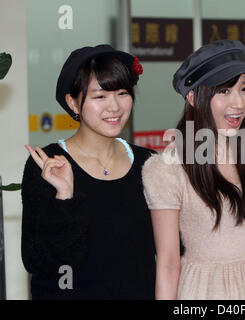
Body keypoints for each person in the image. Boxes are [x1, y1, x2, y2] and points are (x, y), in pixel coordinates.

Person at [142, 40, 245, 299]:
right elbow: (168, 264)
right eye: (224, 91)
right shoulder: (166, 169)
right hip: (204, 291)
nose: (238, 103)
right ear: (193, 97)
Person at [21, 44, 156, 299]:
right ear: (73, 102)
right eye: (99, 96)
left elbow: (172, 249)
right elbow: (39, 262)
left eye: (122, 93)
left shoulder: (148, 162)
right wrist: (65, 199)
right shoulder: (48, 165)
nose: (114, 106)